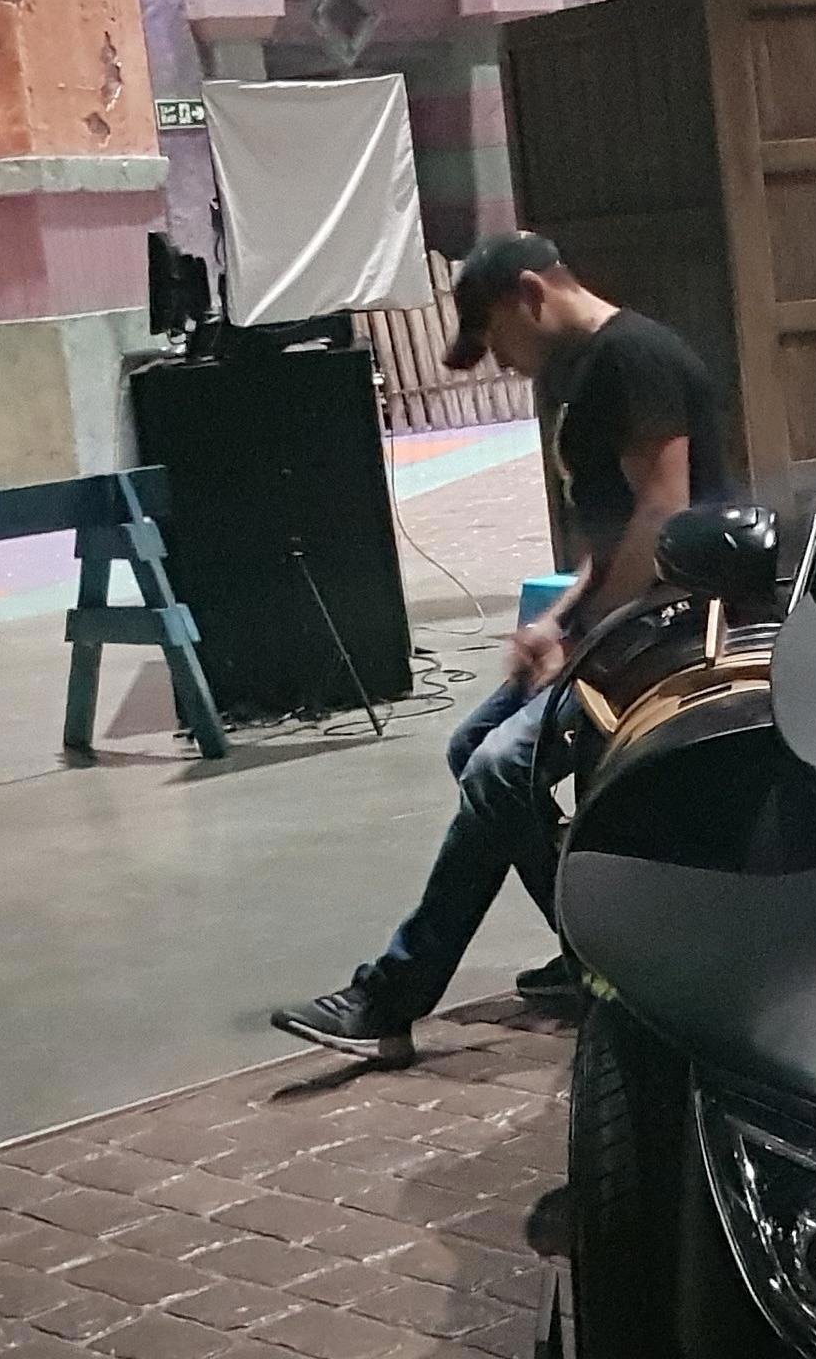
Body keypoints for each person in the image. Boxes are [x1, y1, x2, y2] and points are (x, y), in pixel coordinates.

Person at [273, 231, 727, 1065]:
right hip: (618, 619)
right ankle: (594, 955)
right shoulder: (586, 371)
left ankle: (392, 997)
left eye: (498, 339)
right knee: (471, 748)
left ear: (531, 294)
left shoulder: (635, 359)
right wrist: (560, 621)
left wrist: (587, 640)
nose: (505, 363)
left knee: (496, 769)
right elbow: (611, 538)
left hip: (670, 624)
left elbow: (665, 514)